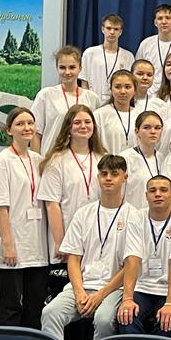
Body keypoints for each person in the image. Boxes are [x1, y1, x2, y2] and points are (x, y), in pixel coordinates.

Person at [41, 154, 133, 340]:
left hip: (114, 289)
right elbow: (73, 259)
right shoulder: (83, 214)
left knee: (103, 320)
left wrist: (101, 294)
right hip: (82, 286)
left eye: (114, 174)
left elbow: (131, 266)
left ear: (125, 177)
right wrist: (79, 292)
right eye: (104, 174)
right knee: (50, 312)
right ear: (98, 177)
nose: (108, 178)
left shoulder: (134, 217)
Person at [0, 108, 48, 328]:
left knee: (35, 304)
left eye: (30, 123)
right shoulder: (3, 161)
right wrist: (8, 245)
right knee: (11, 305)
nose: (26, 128)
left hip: (36, 245)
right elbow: (0, 206)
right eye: (20, 124)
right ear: (9, 130)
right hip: (12, 243)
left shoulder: (38, 160)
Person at [117, 175, 171, 337]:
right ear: (146, 195)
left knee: (168, 323)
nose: (158, 194)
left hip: (168, 289)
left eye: (163, 190)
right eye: (153, 190)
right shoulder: (136, 218)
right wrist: (127, 299)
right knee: (126, 318)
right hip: (141, 287)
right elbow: (132, 260)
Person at [38, 104, 107, 262]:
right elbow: (52, 204)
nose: (83, 126)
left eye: (88, 122)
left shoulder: (103, 158)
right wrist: (60, 242)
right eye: (77, 122)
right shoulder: (56, 161)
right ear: (68, 128)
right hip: (68, 236)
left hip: (99, 235)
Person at [31, 45, 101, 155]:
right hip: (51, 159)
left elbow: (96, 135)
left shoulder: (92, 98)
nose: (67, 72)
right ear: (57, 68)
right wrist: (36, 161)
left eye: (72, 67)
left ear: (80, 68)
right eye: (62, 67)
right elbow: (36, 133)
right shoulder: (45, 96)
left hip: (82, 160)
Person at [80, 13, 135, 105]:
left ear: (121, 32)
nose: (112, 32)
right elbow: (84, 83)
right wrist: (86, 104)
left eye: (116, 29)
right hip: (92, 104)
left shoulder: (128, 56)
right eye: (109, 28)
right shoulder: (89, 53)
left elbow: (130, 84)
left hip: (118, 104)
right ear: (102, 29)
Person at [121, 111, 165, 208]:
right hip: (132, 214)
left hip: (156, 214)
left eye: (157, 128)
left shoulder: (162, 158)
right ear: (137, 131)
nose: (153, 131)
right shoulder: (125, 158)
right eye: (147, 127)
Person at [94, 69, 138, 155]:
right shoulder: (99, 115)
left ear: (135, 90)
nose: (122, 91)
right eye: (117, 87)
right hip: (108, 162)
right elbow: (95, 146)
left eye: (127, 87)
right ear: (111, 89)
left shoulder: (140, 115)